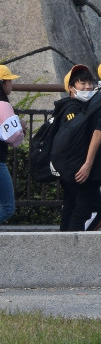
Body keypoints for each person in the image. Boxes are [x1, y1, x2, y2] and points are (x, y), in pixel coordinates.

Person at [56, 64, 101, 236]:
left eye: (89, 82)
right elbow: (97, 133)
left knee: (78, 206)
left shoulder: (92, 102)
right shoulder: (79, 107)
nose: (87, 87)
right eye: (82, 83)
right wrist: (88, 163)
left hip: (79, 163)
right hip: (89, 164)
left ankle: (68, 246)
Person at [0, 63, 18, 225]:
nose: (11, 85)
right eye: (9, 81)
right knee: (7, 207)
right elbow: (14, 137)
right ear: (3, 84)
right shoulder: (3, 106)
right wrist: (22, 126)